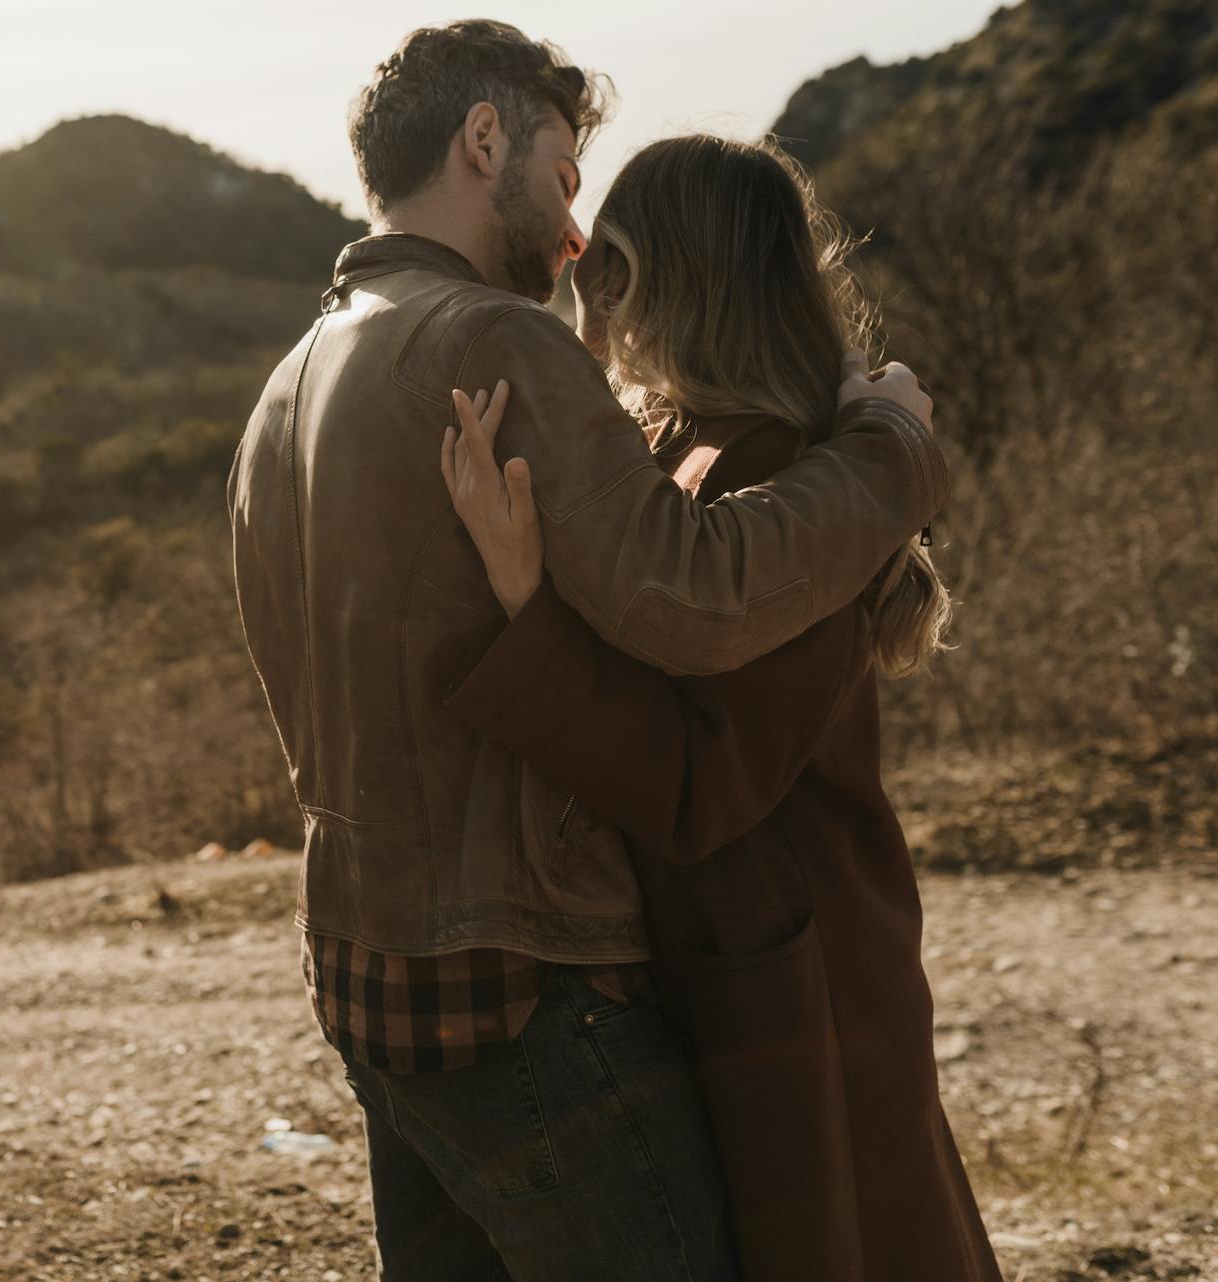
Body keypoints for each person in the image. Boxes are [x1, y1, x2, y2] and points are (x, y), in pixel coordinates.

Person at [227, 20, 946, 1280]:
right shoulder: (488, 342)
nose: (570, 237)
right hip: (523, 983)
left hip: (362, 968)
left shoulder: (293, 376)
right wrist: (893, 451)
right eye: (564, 179)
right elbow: (698, 590)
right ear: (484, 137)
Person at [438, 134, 1003, 1281]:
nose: (596, 298)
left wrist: (522, 603)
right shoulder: (690, 438)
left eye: (616, 272)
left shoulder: (779, 456)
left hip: (797, 965)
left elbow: (704, 785)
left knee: (849, 1245)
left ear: (675, 280)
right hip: (744, 945)